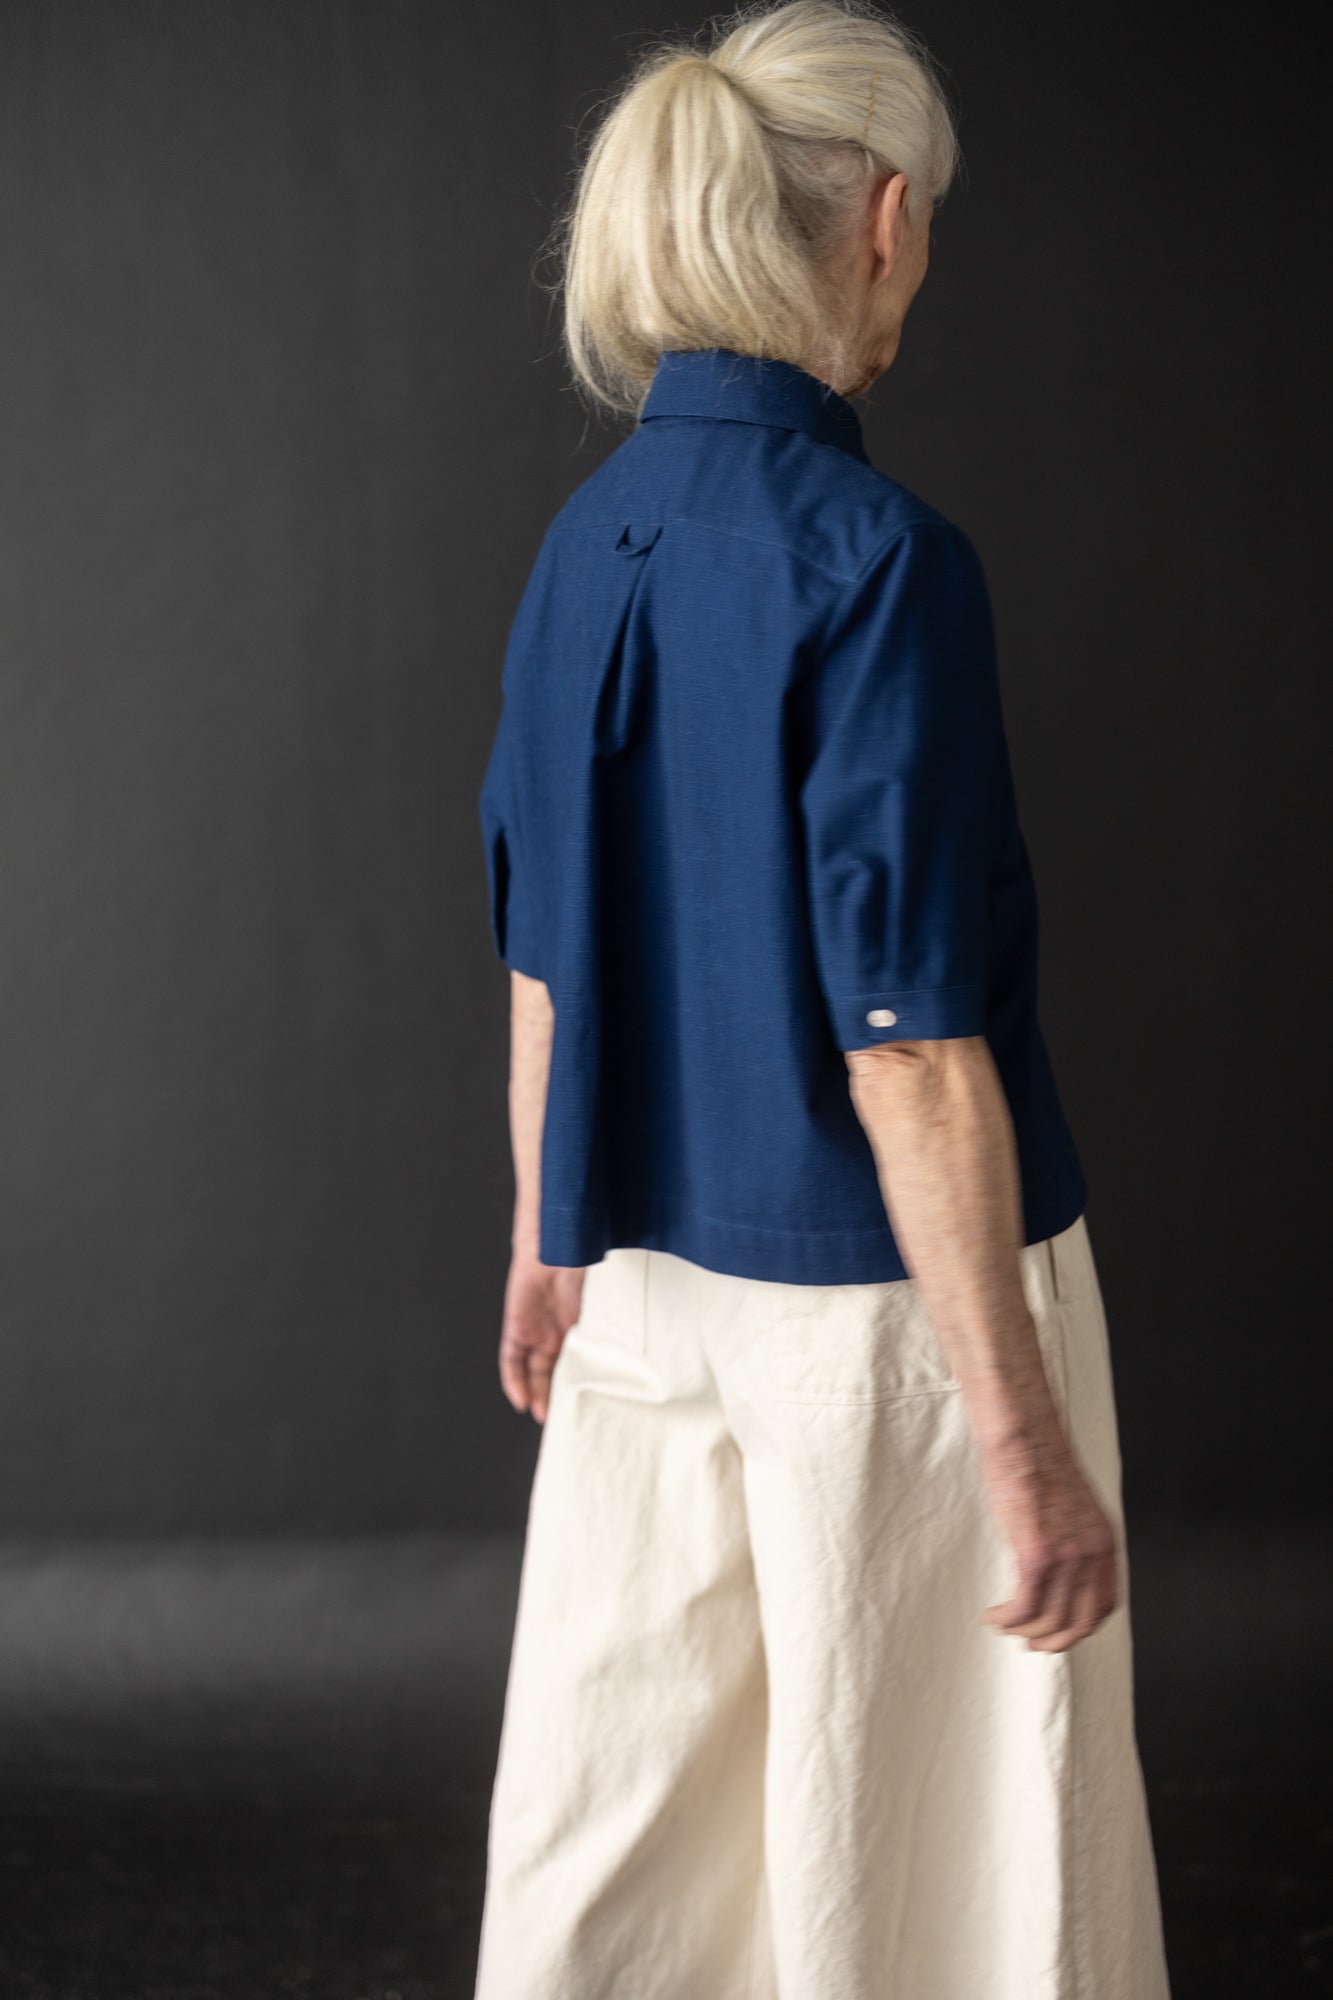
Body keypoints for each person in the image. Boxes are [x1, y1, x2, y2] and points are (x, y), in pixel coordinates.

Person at [472, 2, 1172, 1995]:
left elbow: (540, 938)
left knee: (628, 1827)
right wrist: (1019, 1437)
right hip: (886, 1315)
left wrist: (542, 1232)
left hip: (634, 1276)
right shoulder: (879, 563)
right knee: (946, 1843)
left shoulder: (582, 542)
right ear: (881, 217)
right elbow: (914, 1042)